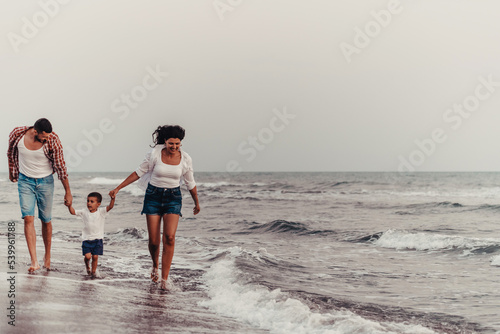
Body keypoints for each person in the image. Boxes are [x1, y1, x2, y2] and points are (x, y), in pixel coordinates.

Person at [109, 125, 200, 290]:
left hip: (173, 198)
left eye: (177, 144)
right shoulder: (155, 154)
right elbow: (138, 172)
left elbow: (190, 182)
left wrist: (196, 202)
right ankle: (154, 265)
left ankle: (164, 280)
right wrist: (118, 188)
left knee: (170, 238)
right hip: (153, 197)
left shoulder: (185, 159)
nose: (174, 147)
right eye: (171, 143)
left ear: (181, 143)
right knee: (153, 241)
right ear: (165, 141)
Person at [7, 118, 73, 272]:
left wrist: (68, 192)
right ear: (35, 132)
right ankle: (34, 261)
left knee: (46, 220)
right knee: (28, 218)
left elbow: (61, 167)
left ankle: (47, 255)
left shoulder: (53, 140)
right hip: (25, 182)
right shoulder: (17, 134)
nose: (47, 138)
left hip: (45, 182)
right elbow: (10, 153)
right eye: (44, 136)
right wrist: (12, 171)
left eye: (48, 136)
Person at [67, 192, 115, 278]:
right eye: (88, 201)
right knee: (88, 256)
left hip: (98, 239)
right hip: (87, 239)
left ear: (98, 204)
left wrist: (112, 199)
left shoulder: (101, 212)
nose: (89, 203)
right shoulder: (84, 212)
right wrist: (69, 206)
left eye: (92, 201)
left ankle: (93, 272)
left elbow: (110, 207)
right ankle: (87, 266)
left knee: (95, 257)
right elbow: (73, 212)